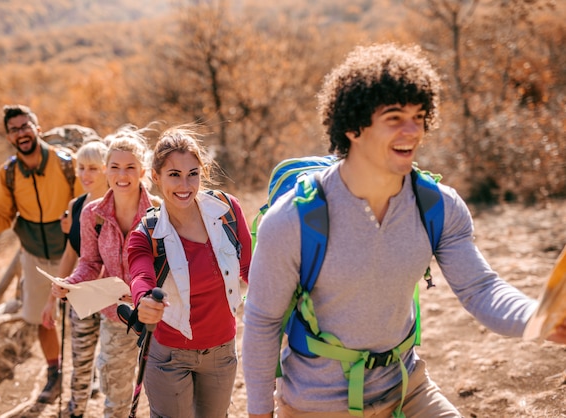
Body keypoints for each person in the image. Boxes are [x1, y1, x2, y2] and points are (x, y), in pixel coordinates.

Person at [241, 43, 566, 418]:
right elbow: (263, 321)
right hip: (318, 402)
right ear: (352, 127)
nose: (412, 131)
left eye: (420, 116)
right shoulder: (294, 219)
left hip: (407, 387)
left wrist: (536, 319)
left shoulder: (437, 207)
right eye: (394, 117)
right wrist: (259, 411)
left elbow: (480, 288)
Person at [128, 125, 252, 418]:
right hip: (169, 355)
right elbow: (140, 276)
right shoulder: (146, 234)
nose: (185, 185)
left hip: (222, 350)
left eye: (192, 173)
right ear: (155, 177)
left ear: (202, 172)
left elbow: (248, 268)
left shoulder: (227, 211)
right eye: (174, 175)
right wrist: (144, 300)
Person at [0, 104, 83, 404]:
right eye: (14, 129)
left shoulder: (66, 163)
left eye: (25, 126)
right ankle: (54, 373)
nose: (21, 133)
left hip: (72, 252)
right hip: (34, 256)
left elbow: (88, 206)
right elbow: (1, 218)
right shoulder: (7, 173)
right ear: (9, 136)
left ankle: (85, 377)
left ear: (37, 127)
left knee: (83, 318)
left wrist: (76, 225)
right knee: (41, 319)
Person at [50, 125, 160, 417]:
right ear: (106, 171)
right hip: (116, 316)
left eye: (130, 167)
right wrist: (69, 283)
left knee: (163, 397)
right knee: (116, 399)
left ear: (143, 171)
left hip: (159, 318)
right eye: (114, 167)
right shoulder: (92, 213)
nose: (122, 175)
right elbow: (89, 262)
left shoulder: (160, 212)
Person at [41, 139, 109, 418]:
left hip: (116, 298)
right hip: (81, 294)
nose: (85, 174)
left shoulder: (121, 203)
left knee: (111, 364)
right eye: (81, 168)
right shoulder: (77, 205)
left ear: (107, 169)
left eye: (93, 168)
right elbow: (71, 253)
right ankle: (75, 411)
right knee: (80, 361)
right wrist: (51, 300)